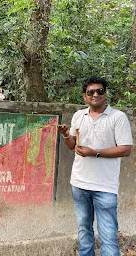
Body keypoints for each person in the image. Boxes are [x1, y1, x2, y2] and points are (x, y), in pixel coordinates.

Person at [58, 76, 133, 256]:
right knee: (84, 231)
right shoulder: (79, 115)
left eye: (99, 91)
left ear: (105, 94)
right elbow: (73, 146)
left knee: (107, 234)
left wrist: (95, 152)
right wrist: (66, 135)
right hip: (79, 183)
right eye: (90, 92)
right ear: (84, 96)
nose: (95, 95)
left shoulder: (117, 117)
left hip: (105, 187)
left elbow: (126, 149)